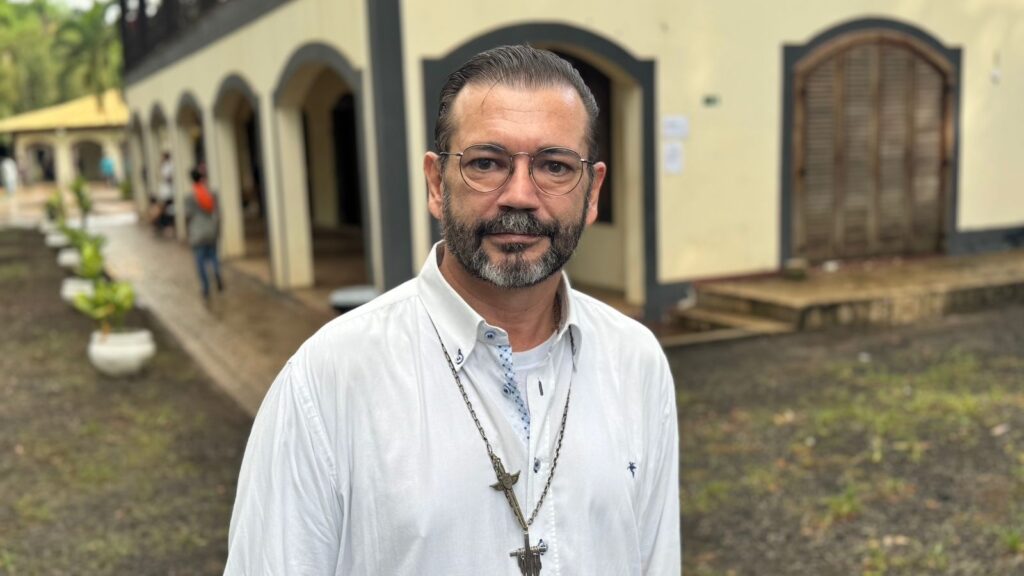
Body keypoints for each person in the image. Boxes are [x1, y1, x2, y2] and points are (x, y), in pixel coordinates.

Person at [225, 45, 680, 575]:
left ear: (592, 191)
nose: (520, 196)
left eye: (555, 166)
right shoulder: (328, 379)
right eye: (487, 163)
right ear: (437, 184)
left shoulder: (635, 360)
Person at [184, 167, 223, 300]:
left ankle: (206, 288)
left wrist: (187, 233)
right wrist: (218, 229)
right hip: (211, 230)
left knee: (200, 263)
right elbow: (218, 213)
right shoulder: (212, 193)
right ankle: (217, 273)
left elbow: (188, 217)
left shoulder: (190, 197)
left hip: (198, 233)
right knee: (213, 257)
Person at [154, 151, 174, 236]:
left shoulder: (170, 166)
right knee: (165, 209)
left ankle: (168, 226)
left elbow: (168, 177)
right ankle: (165, 226)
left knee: (167, 209)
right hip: (165, 191)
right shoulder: (164, 166)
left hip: (170, 192)